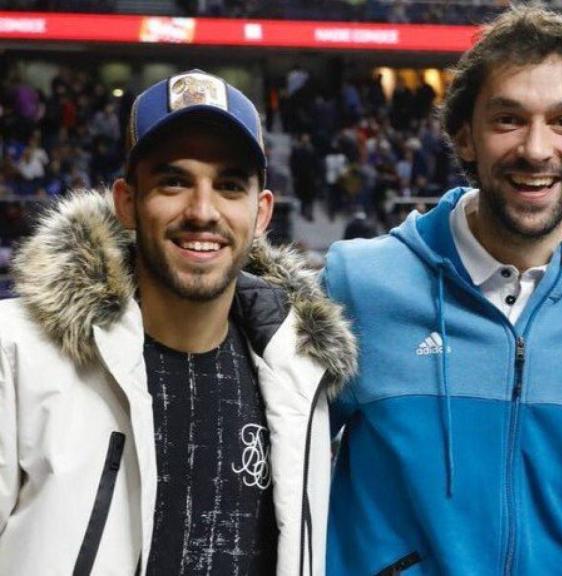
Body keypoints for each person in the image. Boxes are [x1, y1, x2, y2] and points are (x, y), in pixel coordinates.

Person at [322, 7, 562, 575]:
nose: (537, 149)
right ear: (463, 136)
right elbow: (274, 457)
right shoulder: (359, 283)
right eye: (508, 119)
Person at [0, 70, 357, 575]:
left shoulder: (298, 379)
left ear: (261, 214)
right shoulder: (17, 354)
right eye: (174, 181)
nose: (202, 211)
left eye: (229, 186)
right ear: (127, 202)